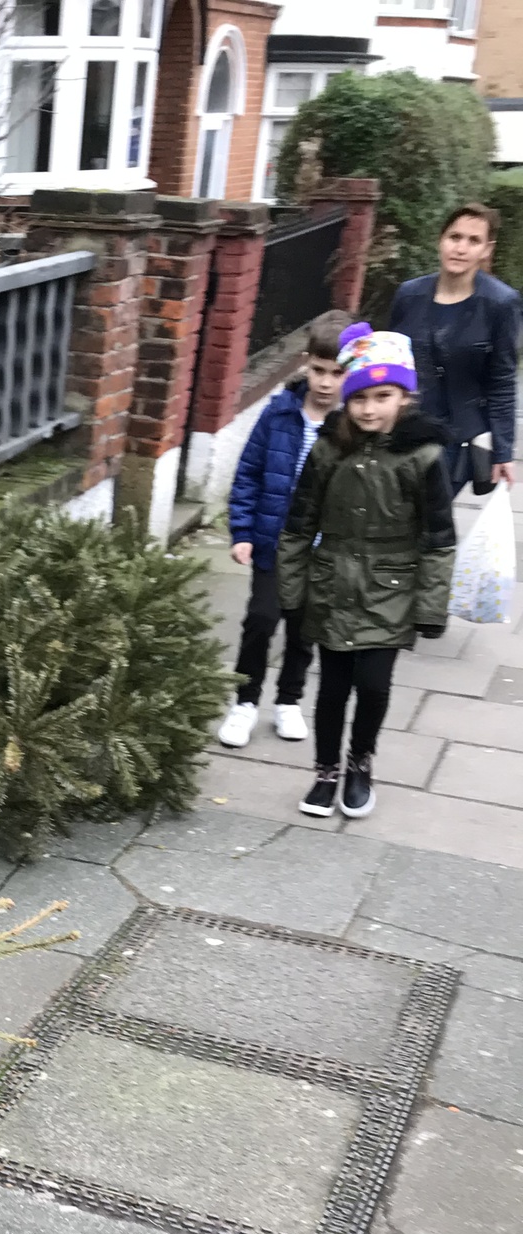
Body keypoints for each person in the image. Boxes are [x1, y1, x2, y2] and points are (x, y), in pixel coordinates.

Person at [277, 324, 456, 821]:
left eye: (384, 396)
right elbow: (298, 525)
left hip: (389, 591)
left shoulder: (423, 457)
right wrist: (291, 592)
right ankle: (325, 770)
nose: (370, 408)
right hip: (331, 585)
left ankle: (360, 764)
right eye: (361, 398)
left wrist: (429, 609)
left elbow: (439, 538)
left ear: (404, 398)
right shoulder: (328, 450)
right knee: (332, 687)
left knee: (374, 686)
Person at [218, 313, 349, 749]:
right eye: (318, 370)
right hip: (275, 542)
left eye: (338, 373)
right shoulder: (279, 413)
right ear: (305, 364)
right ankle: (244, 701)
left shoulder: (353, 428)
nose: (326, 383)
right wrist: (242, 531)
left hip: (323, 549)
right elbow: (249, 474)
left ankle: (288, 700)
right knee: (261, 619)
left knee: (304, 628)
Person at [389, 203, 520, 495]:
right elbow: (391, 361)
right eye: (455, 237)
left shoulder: (501, 303)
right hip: (404, 428)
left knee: (429, 521)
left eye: (473, 241)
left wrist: (503, 450)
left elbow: (502, 379)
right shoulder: (409, 294)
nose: (461, 248)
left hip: (458, 438)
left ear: (487, 249)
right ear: (441, 240)